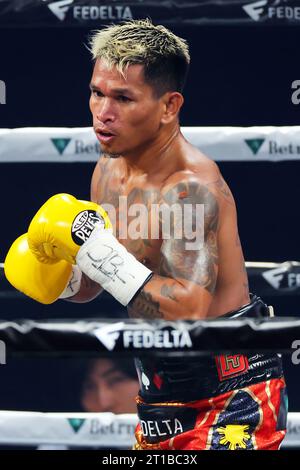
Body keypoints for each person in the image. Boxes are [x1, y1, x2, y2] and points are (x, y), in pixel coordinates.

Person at [4, 19, 287, 450]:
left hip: (231, 395)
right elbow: (103, 279)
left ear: (169, 106)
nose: (103, 111)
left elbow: (187, 310)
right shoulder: (109, 170)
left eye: (123, 97)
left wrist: (94, 248)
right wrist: (65, 276)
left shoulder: (190, 187)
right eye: (97, 92)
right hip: (159, 392)